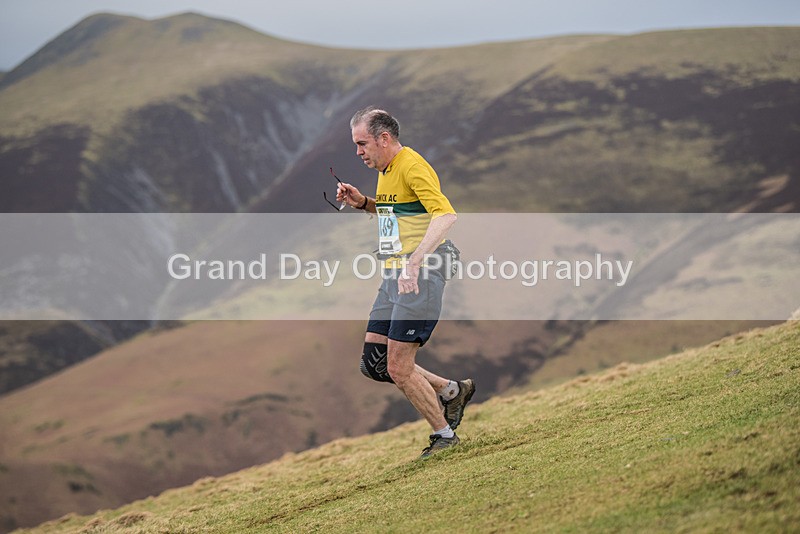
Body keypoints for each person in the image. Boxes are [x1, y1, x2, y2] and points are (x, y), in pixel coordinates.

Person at [336, 107, 475, 459]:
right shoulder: (386, 170)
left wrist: (415, 263)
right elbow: (396, 215)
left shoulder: (412, 165)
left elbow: (446, 215)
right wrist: (364, 203)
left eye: (362, 143)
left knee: (398, 366)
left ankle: (444, 437)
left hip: (421, 272)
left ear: (384, 138)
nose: (358, 152)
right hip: (396, 272)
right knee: (375, 363)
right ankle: (450, 391)